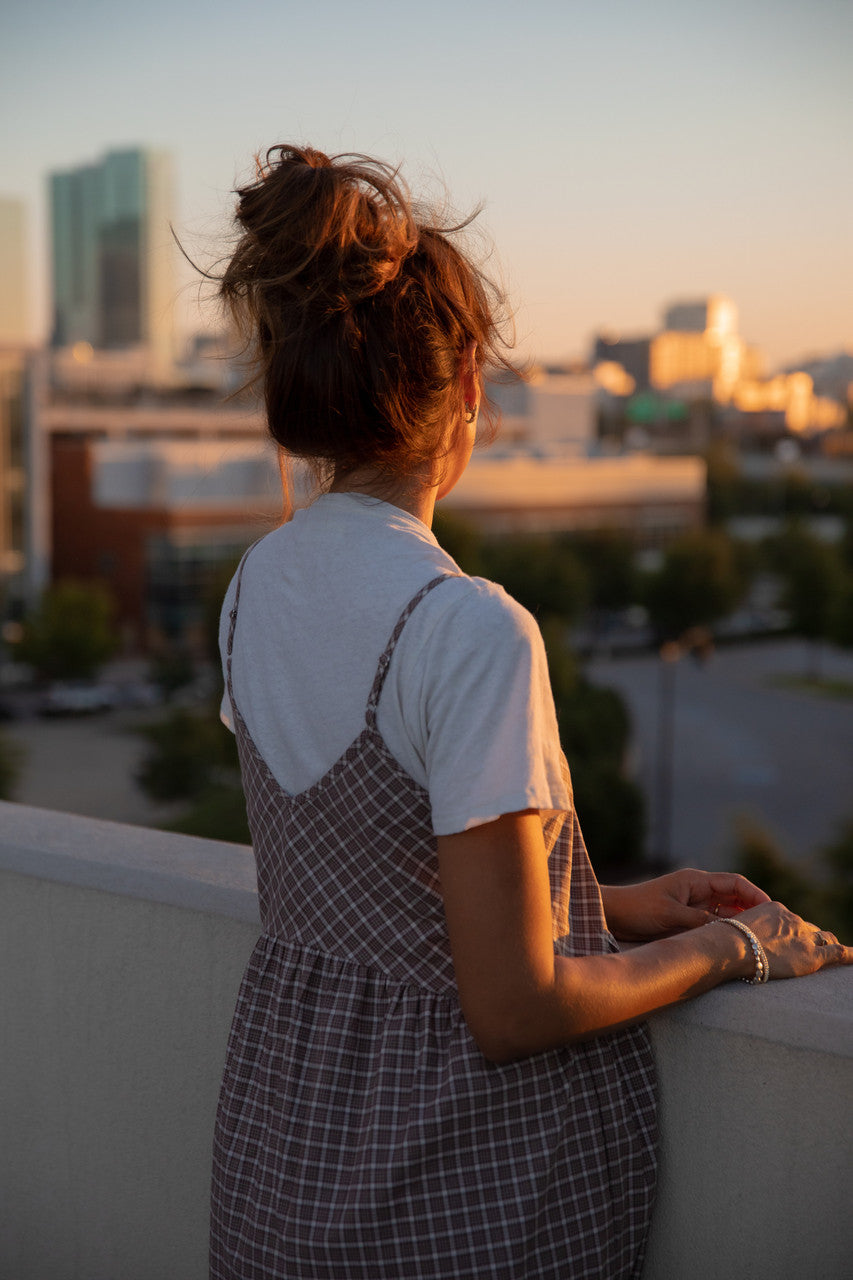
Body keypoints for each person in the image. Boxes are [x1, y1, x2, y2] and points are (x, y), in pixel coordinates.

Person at [210, 145, 852, 1280]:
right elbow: (515, 1004)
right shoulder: (466, 627)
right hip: (455, 1193)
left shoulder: (256, 587)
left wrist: (608, 902)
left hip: (286, 1159)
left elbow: (373, 886)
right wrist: (729, 945)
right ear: (464, 392)